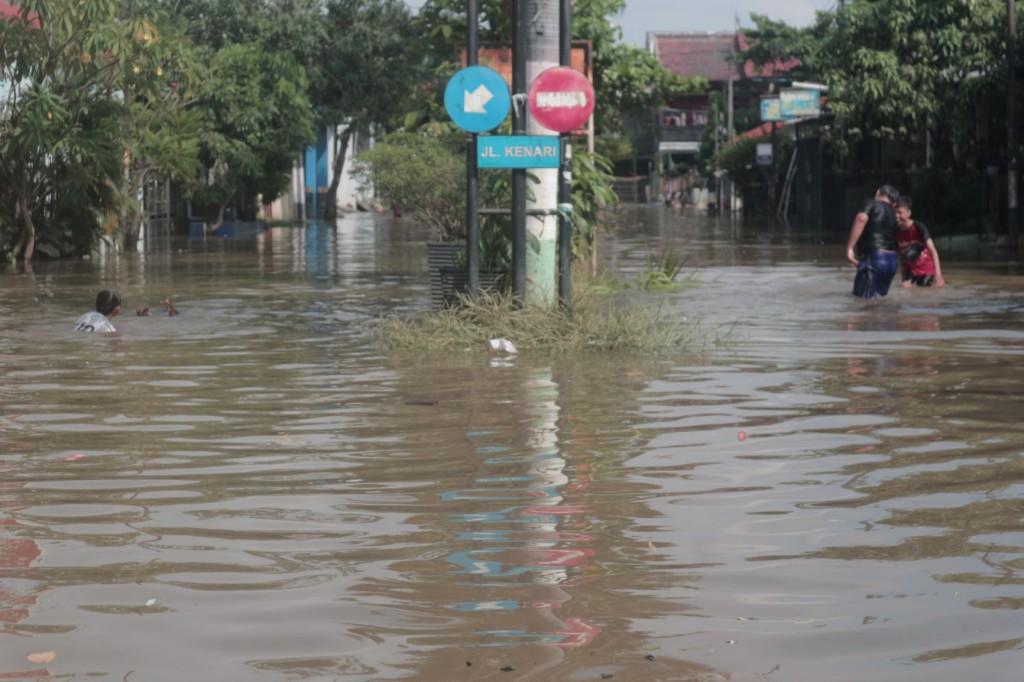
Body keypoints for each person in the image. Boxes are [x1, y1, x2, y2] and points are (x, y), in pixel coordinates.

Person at [845, 184, 900, 299]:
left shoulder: (871, 203)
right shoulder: (894, 216)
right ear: (893, 203)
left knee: (862, 301)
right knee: (880, 300)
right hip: (892, 262)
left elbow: (861, 218)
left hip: (875, 259)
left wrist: (850, 247)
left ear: (877, 193)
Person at [894, 196, 945, 288]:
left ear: (909, 213)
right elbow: (902, 257)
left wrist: (938, 275)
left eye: (899, 212)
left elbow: (933, 250)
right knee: (904, 287)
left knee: (925, 291)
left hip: (926, 270)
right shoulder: (896, 232)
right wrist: (904, 278)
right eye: (894, 212)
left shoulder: (919, 227)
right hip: (910, 271)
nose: (896, 215)